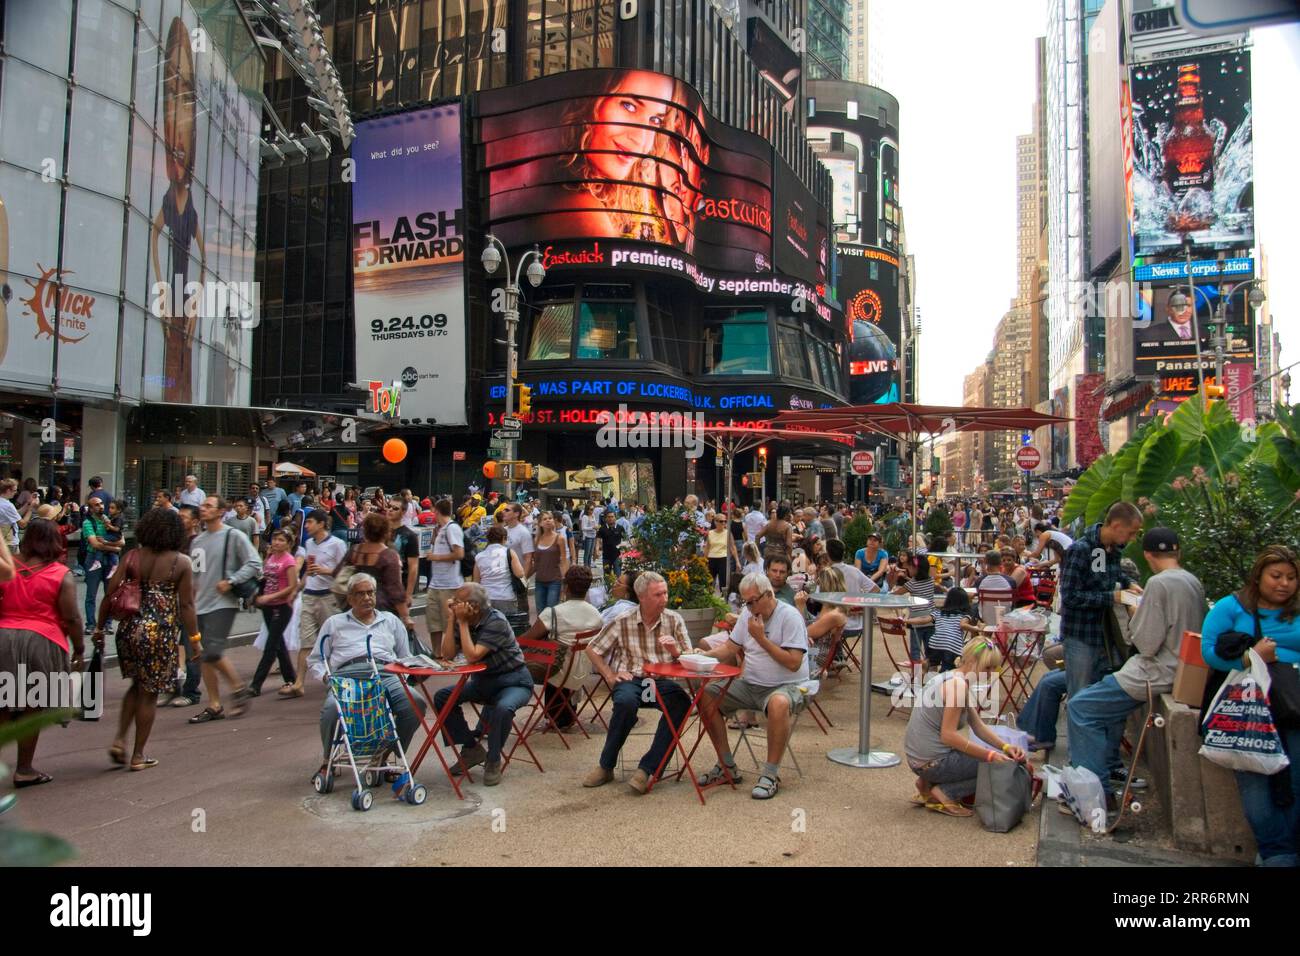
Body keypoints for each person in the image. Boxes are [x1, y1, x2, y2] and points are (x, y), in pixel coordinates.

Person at [1064, 528, 1203, 809]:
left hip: (1153, 672)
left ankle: (1094, 794)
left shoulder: (1158, 584)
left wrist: (1133, 611)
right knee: (1094, 703)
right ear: (1179, 552)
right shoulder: (1192, 581)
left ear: (1148, 555)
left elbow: (1146, 642)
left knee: (1080, 707)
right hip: (1178, 670)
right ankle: (1105, 774)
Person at [1200, 545, 1300, 866]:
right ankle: (1277, 852)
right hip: (1248, 708)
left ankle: (1282, 852)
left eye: (1291, 577)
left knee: (1295, 777)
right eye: (1276, 576)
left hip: (1294, 706)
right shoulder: (1233, 607)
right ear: (1258, 577)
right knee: (1254, 780)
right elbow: (1209, 652)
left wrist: (1278, 657)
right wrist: (1252, 656)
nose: (1283, 583)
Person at [95, 507, 198, 771]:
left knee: (135, 685)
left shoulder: (132, 556)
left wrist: (99, 627)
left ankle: (119, 739)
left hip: (128, 629)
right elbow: (186, 605)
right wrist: (195, 639)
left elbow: (110, 593)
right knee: (149, 694)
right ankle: (138, 754)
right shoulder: (181, 562)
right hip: (160, 633)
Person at [695, 571, 811, 799]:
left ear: (768, 595)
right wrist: (703, 655)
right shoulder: (748, 616)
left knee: (778, 703)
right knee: (706, 695)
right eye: (745, 602)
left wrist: (761, 639)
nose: (748, 607)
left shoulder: (789, 617)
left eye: (752, 602)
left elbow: (794, 663)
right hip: (751, 685)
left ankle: (770, 774)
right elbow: (729, 648)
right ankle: (726, 765)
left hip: (789, 685)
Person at [582, 571, 693, 794]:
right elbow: (592, 648)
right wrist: (609, 675)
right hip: (632, 679)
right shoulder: (623, 621)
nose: (664, 599)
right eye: (658, 595)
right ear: (641, 597)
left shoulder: (673, 619)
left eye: (665, 593)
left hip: (661, 681)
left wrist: (675, 651)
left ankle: (648, 768)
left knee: (682, 702)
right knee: (624, 703)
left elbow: (689, 658)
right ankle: (606, 765)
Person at [309, 576, 423, 776]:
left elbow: (405, 657)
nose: (367, 598)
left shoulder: (390, 620)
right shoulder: (334, 623)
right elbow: (316, 659)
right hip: (348, 676)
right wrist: (327, 677)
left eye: (370, 592)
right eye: (360, 594)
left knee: (415, 703)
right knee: (331, 709)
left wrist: (402, 680)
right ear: (350, 598)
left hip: (385, 673)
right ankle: (328, 761)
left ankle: (387, 756)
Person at [0, 519, 84, 787]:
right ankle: (24, 769)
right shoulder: (61, 574)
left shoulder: (7, 565)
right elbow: (71, 617)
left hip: (3, 638)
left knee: (2, 705)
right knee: (31, 708)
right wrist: (79, 648)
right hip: (42, 641)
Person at [904, 637, 1023, 816]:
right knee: (996, 766)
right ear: (972, 662)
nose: (991, 674)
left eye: (994, 668)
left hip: (918, 758)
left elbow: (977, 725)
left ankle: (926, 784)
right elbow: (949, 736)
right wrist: (991, 755)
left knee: (992, 756)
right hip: (932, 763)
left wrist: (1005, 747)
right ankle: (945, 793)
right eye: (987, 668)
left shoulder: (950, 676)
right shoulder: (958, 687)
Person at [435, 583, 534, 787]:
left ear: (474, 607)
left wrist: (461, 622)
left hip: (514, 681)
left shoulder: (495, 620)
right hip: (483, 682)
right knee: (442, 697)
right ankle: (471, 748)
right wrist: (453, 618)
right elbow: (447, 654)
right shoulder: (463, 618)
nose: (452, 603)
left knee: (503, 708)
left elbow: (472, 656)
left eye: (458, 601)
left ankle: (494, 759)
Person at [1058, 501, 1145, 700]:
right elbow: (1070, 596)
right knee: (1079, 697)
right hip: (1081, 636)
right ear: (1116, 526)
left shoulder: (1112, 550)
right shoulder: (1080, 549)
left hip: (1105, 636)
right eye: (1131, 532)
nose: (1132, 538)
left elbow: (1109, 575)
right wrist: (1112, 597)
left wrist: (1129, 583)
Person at [186, 495, 261, 723]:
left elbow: (255, 563)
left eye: (209, 506)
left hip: (223, 603)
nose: (203, 508)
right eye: (203, 505)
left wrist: (231, 580)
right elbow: (195, 575)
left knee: (213, 651)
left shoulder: (233, 535)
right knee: (204, 657)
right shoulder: (197, 541)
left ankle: (239, 688)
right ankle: (214, 705)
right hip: (200, 604)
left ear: (221, 512)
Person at [519, 565, 604, 729]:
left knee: (532, 658)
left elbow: (526, 640)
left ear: (566, 587)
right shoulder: (596, 614)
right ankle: (563, 716)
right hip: (583, 670)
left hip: (557, 671)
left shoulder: (553, 613)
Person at [344, 512, 411, 628]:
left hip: (354, 606)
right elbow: (395, 589)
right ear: (385, 532)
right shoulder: (388, 555)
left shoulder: (354, 551)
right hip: (381, 608)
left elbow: (339, 573)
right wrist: (405, 616)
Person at [425, 499, 465, 646]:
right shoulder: (440, 529)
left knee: (449, 623)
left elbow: (459, 554)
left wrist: (436, 557)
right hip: (435, 584)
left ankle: (451, 653)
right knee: (433, 622)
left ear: (436, 511)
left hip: (450, 584)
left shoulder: (452, 528)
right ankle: (437, 654)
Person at [81, 496, 123, 636]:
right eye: (96, 505)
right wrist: (114, 549)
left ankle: (108, 624)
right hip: (94, 558)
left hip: (109, 560)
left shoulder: (109, 519)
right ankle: (91, 624)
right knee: (91, 595)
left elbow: (121, 540)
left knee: (110, 594)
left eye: (101, 504)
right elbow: (95, 544)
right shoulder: (88, 523)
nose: (101, 506)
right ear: (91, 508)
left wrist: (110, 545)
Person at [796, 567, 847, 676]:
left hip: (815, 657)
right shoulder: (832, 607)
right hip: (813, 649)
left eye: (819, 583)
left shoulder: (833, 614)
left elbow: (800, 633)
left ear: (825, 587)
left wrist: (800, 607)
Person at [927, 587, 984, 672]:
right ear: (964, 602)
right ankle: (943, 679)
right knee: (948, 670)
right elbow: (963, 625)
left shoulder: (939, 612)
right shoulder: (964, 615)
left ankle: (930, 677)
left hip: (934, 643)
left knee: (932, 666)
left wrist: (906, 620)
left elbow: (924, 619)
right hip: (952, 645)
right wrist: (977, 628)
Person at [894, 549, 936, 662]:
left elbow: (896, 594)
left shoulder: (912, 584)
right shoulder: (931, 581)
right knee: (930, 649)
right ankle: (931, 673)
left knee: (915, 651)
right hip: (931, 619)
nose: (908, 569)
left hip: (916, 622)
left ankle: (916, 675)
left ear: (916, 569)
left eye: (910, 567)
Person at [474, 523, 526, 614]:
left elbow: (476, 581)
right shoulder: (509, 552)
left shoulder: (479, 556)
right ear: (503, 538)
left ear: (488, 539)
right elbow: (520, 573)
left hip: (486, 598)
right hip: (506, 597)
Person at [386, 499, 421, 613]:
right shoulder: (379, 531)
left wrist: (409, 594)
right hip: (379, 588)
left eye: (395, 508)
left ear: (403, 512)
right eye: (389, 506)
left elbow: (413, 567)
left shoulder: (410, 536)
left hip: (399, 588)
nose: (390, 510)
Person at [532, 512, 569, 616]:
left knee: (551, 612)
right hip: (539, 581)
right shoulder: (537, 539)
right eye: (544, 519)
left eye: (550, 518)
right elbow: (536, 563)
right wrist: (524, 578)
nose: (548, 520)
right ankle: (542, 633)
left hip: (554, 581)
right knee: (540, 612)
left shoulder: (560, 538)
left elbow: (563, 560)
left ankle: (551, 632)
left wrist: (565, 580)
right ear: (540, 524)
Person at [706, 512, 740, 593]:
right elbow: (707, 548)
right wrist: (704, 561)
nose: (724, 523)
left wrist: (737, 561)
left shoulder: (728, 533)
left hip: (723, 559)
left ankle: (724, 601)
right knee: (709, 583)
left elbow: (733, 547)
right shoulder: (710, 533)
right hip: (711, 559)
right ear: (715, 522)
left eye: (725, 521)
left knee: (724, 583)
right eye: (721, 521)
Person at [595, 509, 624, 580]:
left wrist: (624, 550)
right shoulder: (602, 529)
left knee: (618, 576)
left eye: (612, 516)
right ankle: (608, 590)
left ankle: (617, 590)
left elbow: (625, 540)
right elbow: (598, 540)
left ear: (615, 517)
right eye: (608, 517)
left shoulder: (620, 528)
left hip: (617, 556)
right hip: (606, 556)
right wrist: (597, 550)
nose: (610, 518)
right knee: (607, 577)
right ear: (605, 518)